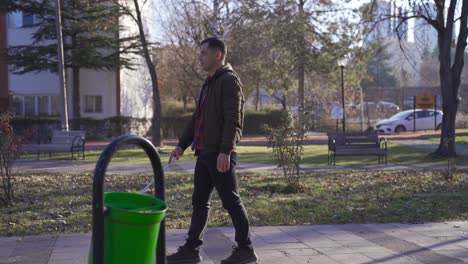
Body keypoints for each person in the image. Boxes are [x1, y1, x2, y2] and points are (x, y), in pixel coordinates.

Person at [167, 37, 258, 264]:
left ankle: (246, 249)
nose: (200, 57)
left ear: (218, 55)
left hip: (220, 154)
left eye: (203, 53)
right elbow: (197, 119)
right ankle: (191, 249)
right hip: (204, 153)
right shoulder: (208, 82)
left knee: (231, 202)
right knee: (199, 202)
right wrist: (181, 144)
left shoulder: (229, 81)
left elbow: (233, 119)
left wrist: (226, 151)